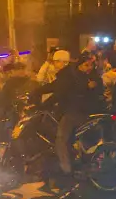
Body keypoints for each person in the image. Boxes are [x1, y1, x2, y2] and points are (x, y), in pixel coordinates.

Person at [37, 50, 105, 189]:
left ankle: (66, 169)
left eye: (90, 65)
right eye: (86, 65)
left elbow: (66, 93)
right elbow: (56, 90)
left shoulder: (89, 78)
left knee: (61, 139)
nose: (89, 68)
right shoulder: (70, 75)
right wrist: (38, 96)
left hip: (77, 114)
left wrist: (89, 87)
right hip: (72, 112)